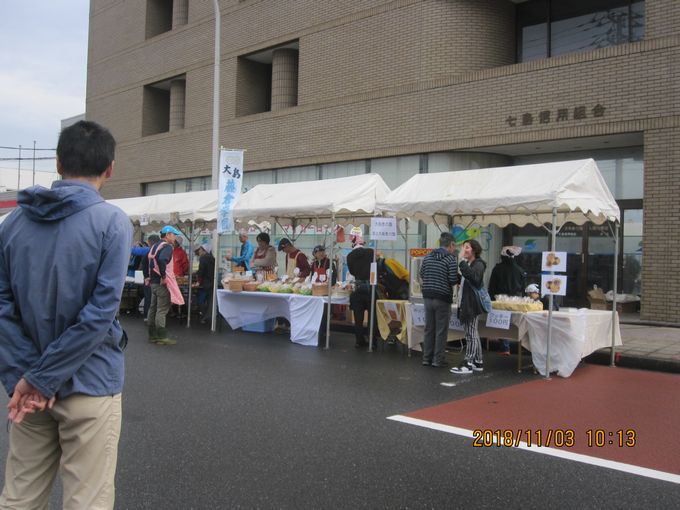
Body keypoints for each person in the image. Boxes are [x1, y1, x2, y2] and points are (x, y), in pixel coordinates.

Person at [0, 120, 132, 509]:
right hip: (89, 384)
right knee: (86, 500)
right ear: (110, 168)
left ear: (57, 163)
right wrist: (43, 379)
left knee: (20, 496)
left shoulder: (14, 223)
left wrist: (31, 377)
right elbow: (99, 314)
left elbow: (2, 306)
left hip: (26, 385)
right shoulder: (111, 222)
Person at [420, 232, 459, 368]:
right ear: (451, 245)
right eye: (455, 246)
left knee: (429, 328)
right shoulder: (450, 259)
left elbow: (422, 274)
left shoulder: (428, 257)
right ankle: (438, 360)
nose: (455, 249)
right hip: (442, 298)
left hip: (427, 297)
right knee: (441, 330)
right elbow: (453, 280)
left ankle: (426, 358)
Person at [450, 239, 487, 374]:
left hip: (471, 304)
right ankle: (478, 360)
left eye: (467, 247)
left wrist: (460, 262)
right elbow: (467, 280)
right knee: (472, 332)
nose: (464, 250)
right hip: (466, 303)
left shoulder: (479, 264)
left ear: (474, 250)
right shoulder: (469, 263)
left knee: (470, 334)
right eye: (463, 247)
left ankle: (468, 362)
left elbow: (475, 279)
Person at [147, 226, 185, 345]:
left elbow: (147, 261)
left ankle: (152, 335)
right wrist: (163, 276)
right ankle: (161, 336)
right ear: (168, 234)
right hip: (161, 283)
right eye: (174, 235)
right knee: (162, 310)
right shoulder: (167, 246)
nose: (175, 237)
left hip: (153, 282)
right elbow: (162, 259)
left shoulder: (154, 246)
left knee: (152, 308)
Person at [488, 246, 527, 356]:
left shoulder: (497, 269)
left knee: (502, 323)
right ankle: (522, 346)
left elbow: (492, 286)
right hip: (516, 302)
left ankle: (505, 347)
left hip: (500, 301)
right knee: (517, 324)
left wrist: (490, 299)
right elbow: (524, 289)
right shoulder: (520, 270)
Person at [346, 234, 378, 349]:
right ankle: (372, 342)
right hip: (371, 287)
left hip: (358, 288)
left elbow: (352, 272)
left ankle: (359, 341)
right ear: (363, 244)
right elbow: (376, 266)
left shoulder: (349, 256)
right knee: (371, 317)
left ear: (353, 244)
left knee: (358, 318)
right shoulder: (371, 252)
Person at [193, 244, 216, 324]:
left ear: (204, 250)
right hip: (212, 283)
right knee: (210, 301)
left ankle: (204, 316)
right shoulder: (213, 258)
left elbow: (201, 271)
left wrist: (198, 281)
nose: (199, 251)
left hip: (205, 284)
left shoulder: (203, 258)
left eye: (200, 250)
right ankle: (208, 316)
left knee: (200, 301)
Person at [170, 237, 189, 319]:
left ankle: (184, 312)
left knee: (179, 295)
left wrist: (182, 274)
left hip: (179, 278)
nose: (173, 243)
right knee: (173, 295)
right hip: (171, 277)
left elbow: (185, 265)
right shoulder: (171, 251)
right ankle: (174, 311)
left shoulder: (182, 253)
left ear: (178, 243)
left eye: (174, 242)